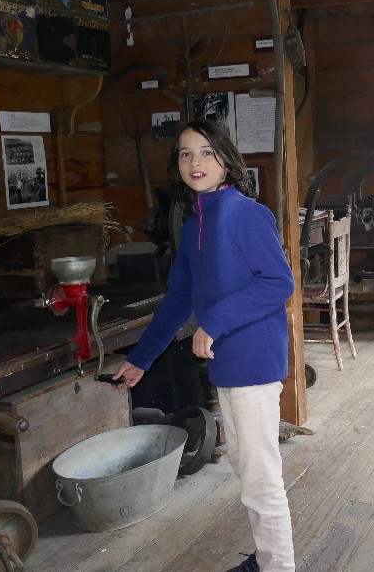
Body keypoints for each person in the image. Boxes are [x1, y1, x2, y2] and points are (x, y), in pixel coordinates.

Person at [113, 120, 296, 572]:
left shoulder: (247, 214)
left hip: (253, 361)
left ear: (226, 161)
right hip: (227, 363)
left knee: (259, 476)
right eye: (185, 154)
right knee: (244, 464)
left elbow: (279, 283)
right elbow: (178, 300)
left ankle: (278, 566)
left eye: (206, 152)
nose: (195, 162)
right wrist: (140, 360)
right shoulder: (197, 222)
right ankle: (268, 558)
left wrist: (212, 323)